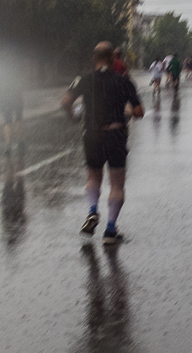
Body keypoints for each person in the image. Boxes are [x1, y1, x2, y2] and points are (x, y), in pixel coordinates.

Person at [61, 41, 145, 244]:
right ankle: (109, 230)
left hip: (91, 135)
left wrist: (73, 116)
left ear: (94, 58)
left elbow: (65, 102)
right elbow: (139, 112)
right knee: (116, 184)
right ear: (112, 59)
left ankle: (92, 210)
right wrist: (128, 112)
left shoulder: (83, 79)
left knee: (93, 177)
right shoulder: (123, 81)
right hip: (115, 135)